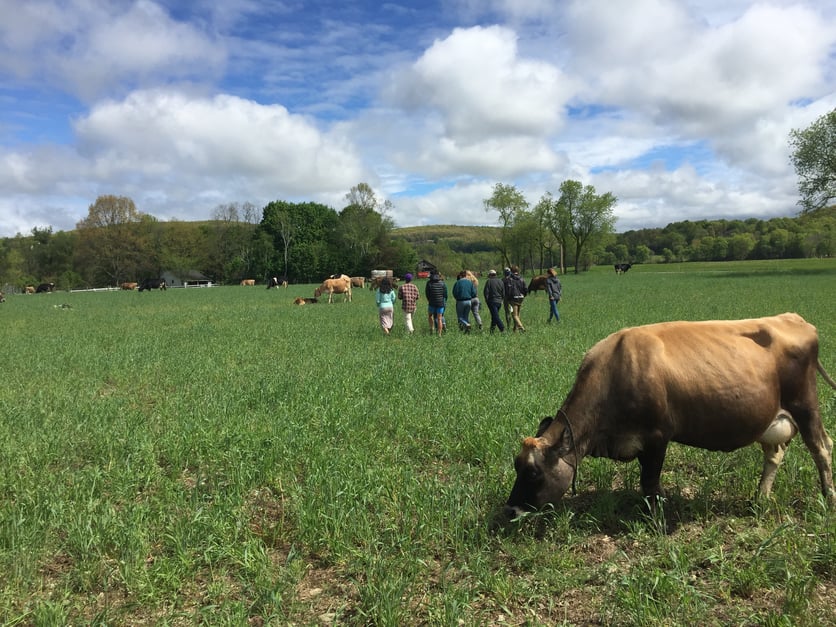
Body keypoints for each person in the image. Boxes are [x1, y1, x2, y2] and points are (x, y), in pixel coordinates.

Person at [503, 264, 527, 332]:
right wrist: (523, 295)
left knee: (514, 315)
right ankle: (515, 329)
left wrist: (508, 298)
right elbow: (525, 289)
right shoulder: (522, 278)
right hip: (521, 298)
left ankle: (521, 327)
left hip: (514, 298)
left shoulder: (510, 279)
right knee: (518, 314)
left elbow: (509, 289)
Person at [425, 272, 448, 336]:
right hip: (440, 303)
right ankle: (439, 334)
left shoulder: (429, 283)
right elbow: (445, 294)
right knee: (439, 318)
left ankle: (432, 329)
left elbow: (427, 293)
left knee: (430, 315)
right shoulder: (443, 283)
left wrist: (429, 300)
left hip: (432, 303)